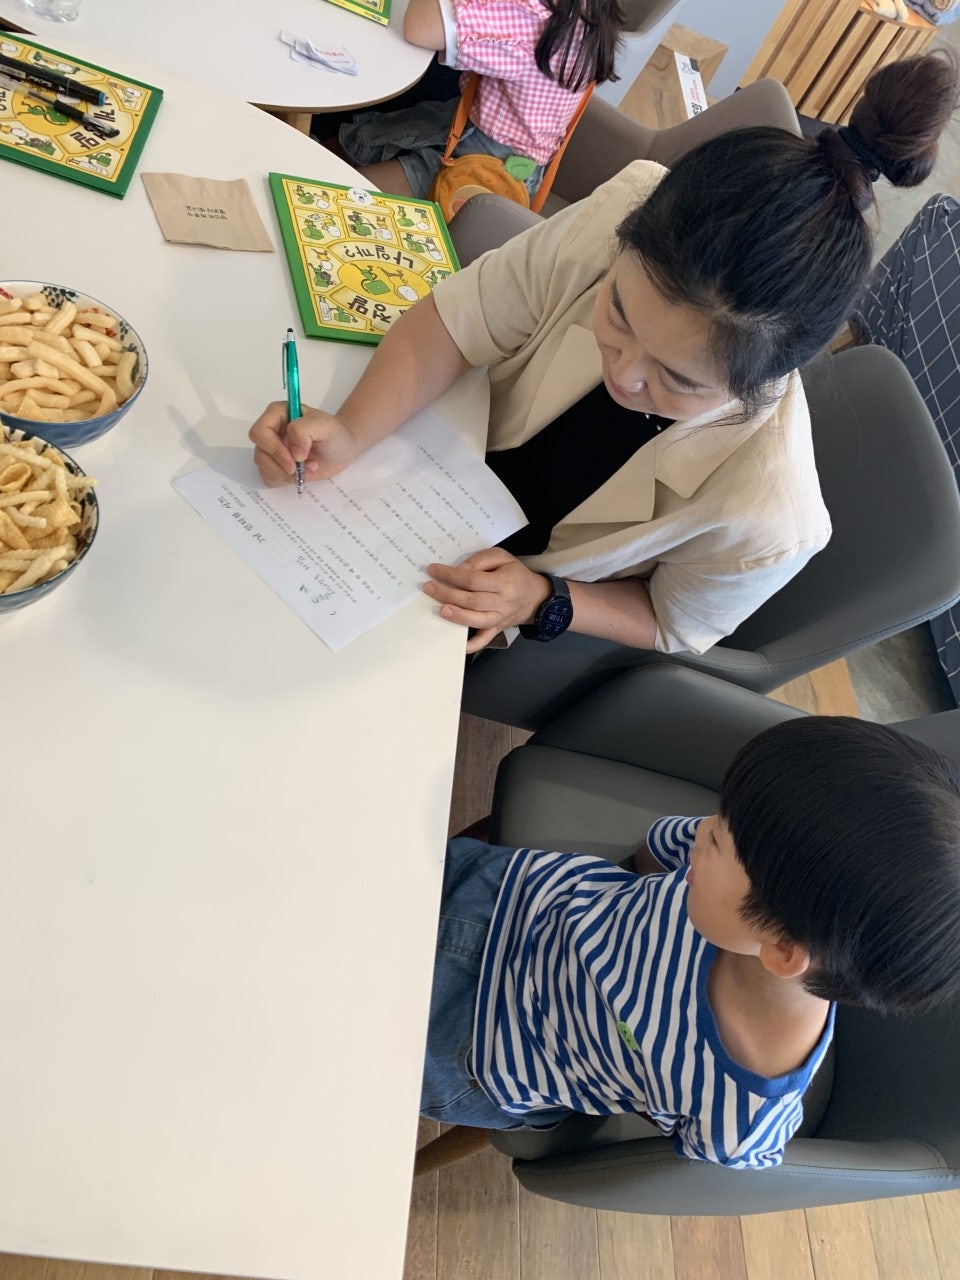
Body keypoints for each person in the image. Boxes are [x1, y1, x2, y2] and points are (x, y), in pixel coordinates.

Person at [250, 51, 958, 657]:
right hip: (420, 469)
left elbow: (674, 622)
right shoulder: (622, 210)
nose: (624, 372)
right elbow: (456, 321)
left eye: (677, 379)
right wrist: (352, 430)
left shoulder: (770, 515)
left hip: (488, 592)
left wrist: (544, 599)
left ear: (762, 381)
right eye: (618, 313)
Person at [423, 716, 960, 1165]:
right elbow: (654, 852)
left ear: (782, 950)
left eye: (720, 841)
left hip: (483, 1044)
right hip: (513, 892)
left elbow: (705, 1141)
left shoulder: (742, 1111)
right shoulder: (738, 857)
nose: (702, 829)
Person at [337, 0, 624, 200]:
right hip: (483, 133)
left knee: (338, 191)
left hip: (484, 168)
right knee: (355, 139)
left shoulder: (531, 13)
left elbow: (419, 26)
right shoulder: (588, 9)